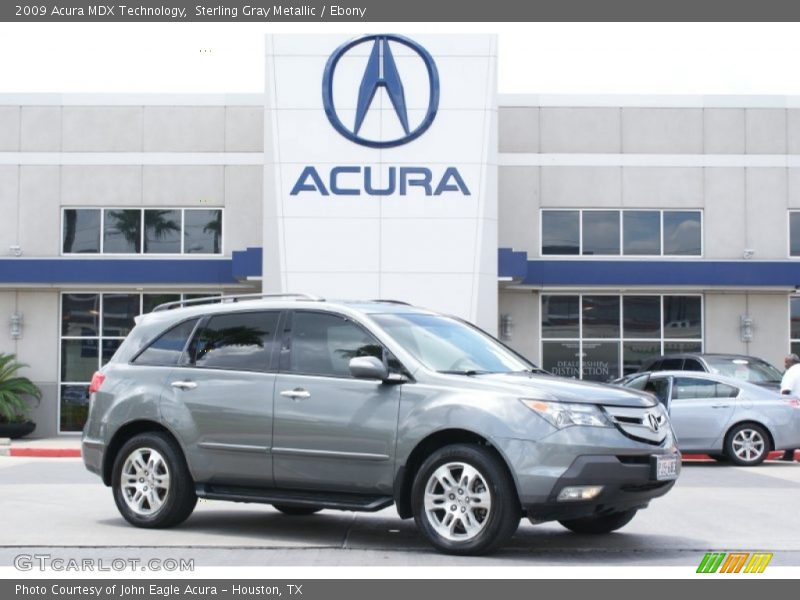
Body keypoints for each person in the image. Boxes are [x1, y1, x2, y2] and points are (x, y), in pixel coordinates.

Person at [780, 354, 800, 461]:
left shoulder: (791, 372)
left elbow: (786, 391)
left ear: (791, 362)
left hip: (795, 406)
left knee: (792, 431)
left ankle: (788, 456)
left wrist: (784, 406)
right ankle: (788, 455)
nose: (785, 364)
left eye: (786, 362)